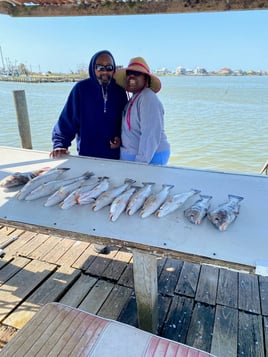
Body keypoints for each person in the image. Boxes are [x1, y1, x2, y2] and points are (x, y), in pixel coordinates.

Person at [50, 50, 128, 254]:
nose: (105, 71)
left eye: (109, 67)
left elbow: (126, 123)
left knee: (109, 196)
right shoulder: (80, 89)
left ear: (114, 69)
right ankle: (96, 238)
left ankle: (109, 235)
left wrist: (121, 139)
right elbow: (67, 120)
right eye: (100, 67)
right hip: (87, 155)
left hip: (113, 156)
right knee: (87, 198)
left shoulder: (120, 92)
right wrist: (60, 143)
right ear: (93, 68)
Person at [113, 57, 170, 165]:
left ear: (146, 79)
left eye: (137, 73)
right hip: (136, 158)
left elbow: (151, 135)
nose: (132, 76)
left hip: (149, 159)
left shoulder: (148, 98)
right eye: (129, 73)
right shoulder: (134, 98)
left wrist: (140, 164)